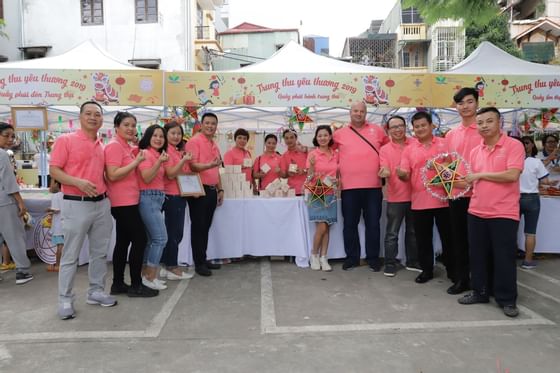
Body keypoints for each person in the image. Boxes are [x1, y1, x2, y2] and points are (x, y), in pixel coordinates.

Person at [50, 101, 116, 320]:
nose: (93, 118)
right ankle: (65, 299)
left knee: (99, 252)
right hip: (75, 202)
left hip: (101, 204)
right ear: (80, 117)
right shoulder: (65, 140)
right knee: (70, 255)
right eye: (88, 113)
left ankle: (96, 291)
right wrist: (77, 182)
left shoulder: (101, 144)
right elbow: (55, 171)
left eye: (97, 114)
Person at [458, 107, 525, 318]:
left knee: (504, 257)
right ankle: (480, 291)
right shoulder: (475, 151)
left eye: (489, 121)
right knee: (477, 256)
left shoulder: (514, 145)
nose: (484, 126)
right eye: (480, 122)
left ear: (500, 123)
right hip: (476, 210)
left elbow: (512, 175)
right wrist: (457, 183)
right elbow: (472, 180)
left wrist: (480, 175)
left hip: (504, 212)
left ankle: (507, 299)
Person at [104, 112, 158, 298]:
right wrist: (136, 162)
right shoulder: (113, 146)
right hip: (122, 202)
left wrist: (135, 154)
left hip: (129, 200)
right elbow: (112, 174)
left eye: (133, 125)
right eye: (126, 125)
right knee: (140, 239)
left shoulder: (125, 146)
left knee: (123, 242)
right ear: (116, 127)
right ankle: (136, 284)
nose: (130, 128)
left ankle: (118, 283)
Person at [398, 111, 453, 284]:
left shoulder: (445, 144)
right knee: (423, 239)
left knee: (449, 238)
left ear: (431, 126)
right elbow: (405, 174)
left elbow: (454, 168)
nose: (420, 129)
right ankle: (426, 270)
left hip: (444, 199)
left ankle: (454, 270)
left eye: (423, 125)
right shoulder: (408, 149)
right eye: (416, 126)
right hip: (420, 201)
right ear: (413, 129)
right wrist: (401, 174)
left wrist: (444, 167)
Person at [333, 101, 388, 271]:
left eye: (362, 111)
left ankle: (373, 258)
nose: (358, 113)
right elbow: (326, 151)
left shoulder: (378, 130)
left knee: (373, 224)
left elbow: (388, 151)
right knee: (350, 224)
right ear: (350, 113)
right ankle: (352, 257)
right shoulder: (339, 134)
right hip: (349, 188)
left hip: (373, 187)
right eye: (355, 111)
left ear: (366, 113)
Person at [444, 87, 482, 295]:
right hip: (456, 195)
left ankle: (481, 280)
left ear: (477, 103)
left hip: (480, 194)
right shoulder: (451, 134)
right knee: (458, 238)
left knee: (479, 240)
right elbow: (450, 163)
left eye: (469, 102)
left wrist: (471, 182)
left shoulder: (485, 130)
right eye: (460, 103)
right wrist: (452, 181)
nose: (465, 106)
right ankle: (462, 279)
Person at [378, 115, 419, 277]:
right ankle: (390, 263)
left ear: (405, 127)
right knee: (392, 233)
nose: (398, 129)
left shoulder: (415, 144)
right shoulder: (385, 150)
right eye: (394, 127)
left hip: (416, 196)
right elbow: (384, 167)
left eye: (400, 125)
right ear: (388, 130)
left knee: (413, 232)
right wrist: (385, 172)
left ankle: (413, 261)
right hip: (396, 197)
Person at [184, 112, 224, 277]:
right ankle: (198, 263)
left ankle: (203, 257)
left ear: (216, 126)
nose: (210, 126)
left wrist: (220, 189)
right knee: (198, 226)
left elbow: (217, 169)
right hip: (198, 190)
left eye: (213, 124)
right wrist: (209, 165)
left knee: (206, 226)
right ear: (201, 124)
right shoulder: (194, 141)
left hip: (212, 190)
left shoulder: (214, 143)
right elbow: (192, 167)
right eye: (207, 123)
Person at [0, 122, 34, 285]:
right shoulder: (2, 155)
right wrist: (21, 203)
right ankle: (22, 271)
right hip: (5, 202)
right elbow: (9, 182)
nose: (10, 139)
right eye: (5, 135)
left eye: (12, 136)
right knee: (15, 236)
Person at [137, 124, 169, 290]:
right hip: (148, 198)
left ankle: (146, 275)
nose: (158, 139)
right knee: (161, 239)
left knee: (151, 240)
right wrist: (159, 162)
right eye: (155, 135)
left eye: (161, 136)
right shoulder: (145, 153)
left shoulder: (158, 154)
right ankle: (150, 276)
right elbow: (147, 177)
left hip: (157, 199)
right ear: (148, 137)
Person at [161, 121, 193, 280]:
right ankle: (172, 267)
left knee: (174, 232)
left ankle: (166, 264)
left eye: (179, 133)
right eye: (172, 133)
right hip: (171, 195)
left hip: (180, 195)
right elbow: (171, 174)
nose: (176, 136)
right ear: (166, 134)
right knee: (174, 233)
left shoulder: (177, 151)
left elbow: (184, 175)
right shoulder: (167, 151)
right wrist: (183, 160)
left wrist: (194, 189)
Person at [306, 125, 338, 271]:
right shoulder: (313, 154)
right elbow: (309, 177)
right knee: (322, 226)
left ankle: (324, 257)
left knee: (327, 228)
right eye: (320, 136)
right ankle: (314, 255)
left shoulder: (336, 154)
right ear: (316, 138)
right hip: (317, 193)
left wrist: (337, 181)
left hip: (331, 193)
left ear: (330, 137)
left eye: (325, 135)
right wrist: (312, 167)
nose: (323, 138)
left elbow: (338, 174)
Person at [517, 136, 551, 269]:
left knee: (510, 230)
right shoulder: (536, 162)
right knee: (530, 232)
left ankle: (508, 259)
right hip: (532, 198)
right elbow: (545, 181)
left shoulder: (511, 161)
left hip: (514, 198)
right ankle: (528, 261)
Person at [280, 128, 308, 195]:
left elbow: (314, 169)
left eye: (291, 137)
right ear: (284, 140)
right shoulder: (284, 156)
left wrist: (303, 171)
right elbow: (284, 175)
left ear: (296, 138)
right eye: (286, 138)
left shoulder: (305, 152)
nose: (289, 140)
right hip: (292, 191)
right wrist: (288, 173)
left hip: (307, 189)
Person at [47, 180, 64, 272]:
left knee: (59, 246)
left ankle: (58, 265)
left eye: (51, 183)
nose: (50, 186)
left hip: (58, 225)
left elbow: (56, 210)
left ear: (57, 184)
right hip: (66, 223)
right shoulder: (65, 194)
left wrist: (48, 210)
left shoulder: (55, 196)